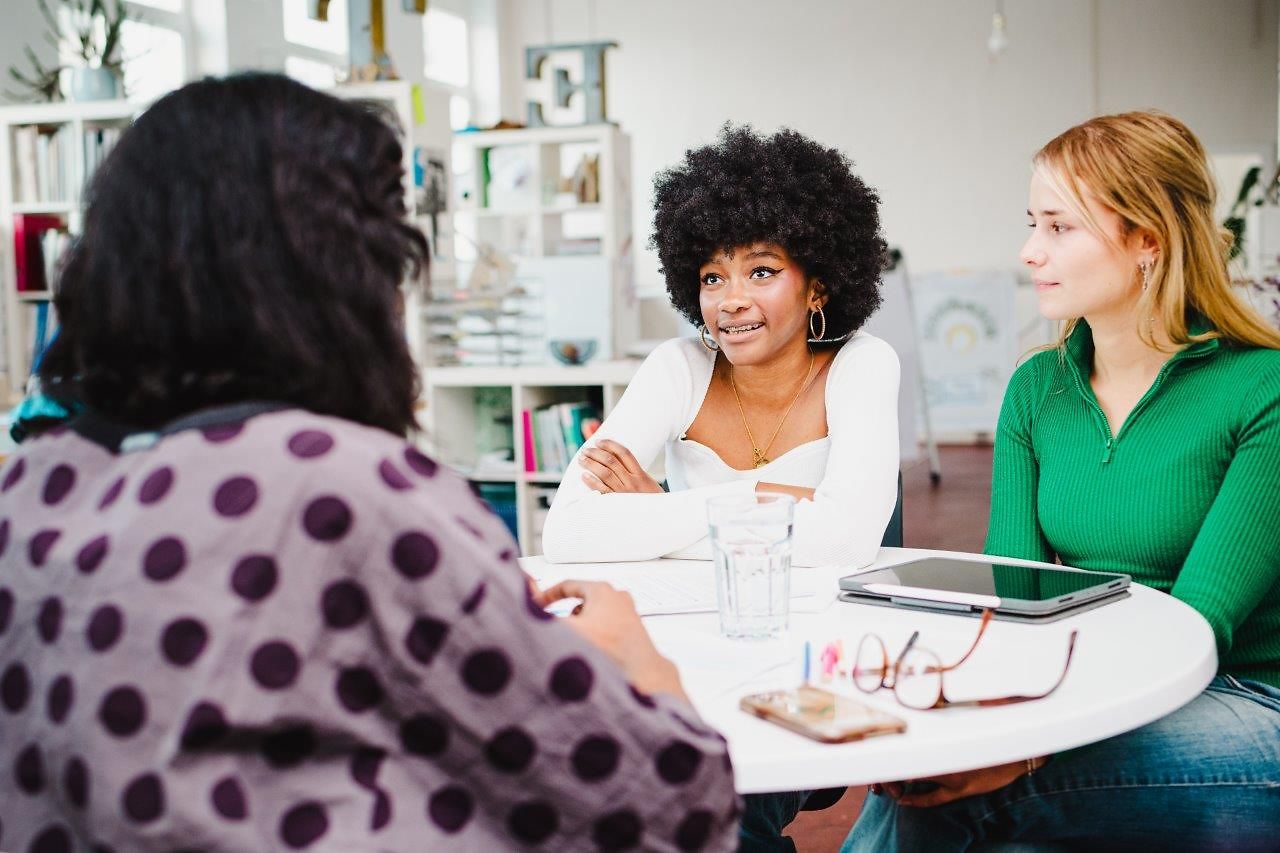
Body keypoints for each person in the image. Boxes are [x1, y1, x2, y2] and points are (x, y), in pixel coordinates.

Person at [0, 74, 741, 852]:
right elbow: (670, 805)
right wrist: (634, 655)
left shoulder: (30, 486)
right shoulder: (339, 487)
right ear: (340, 278)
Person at [844, 111, 1280, 851]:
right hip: (1098, 685)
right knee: (934, 774)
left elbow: (1200, 622)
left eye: (1059, 227)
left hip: (1242, 698)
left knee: (961, 797)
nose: (1028, 250)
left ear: (1148, 239)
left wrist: (1031, 744)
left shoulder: (1261, 387)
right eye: (1031, 223)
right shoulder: (1036, 388)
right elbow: (1006, 589)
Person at [541, 124, 900, 568]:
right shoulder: (677, 367)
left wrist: (656, 512)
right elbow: (566, 535)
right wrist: (756, 496)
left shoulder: (863, 364)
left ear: (817, 289)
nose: (731, 301)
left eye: (762, 271)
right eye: (712, 277)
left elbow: (844, 543)